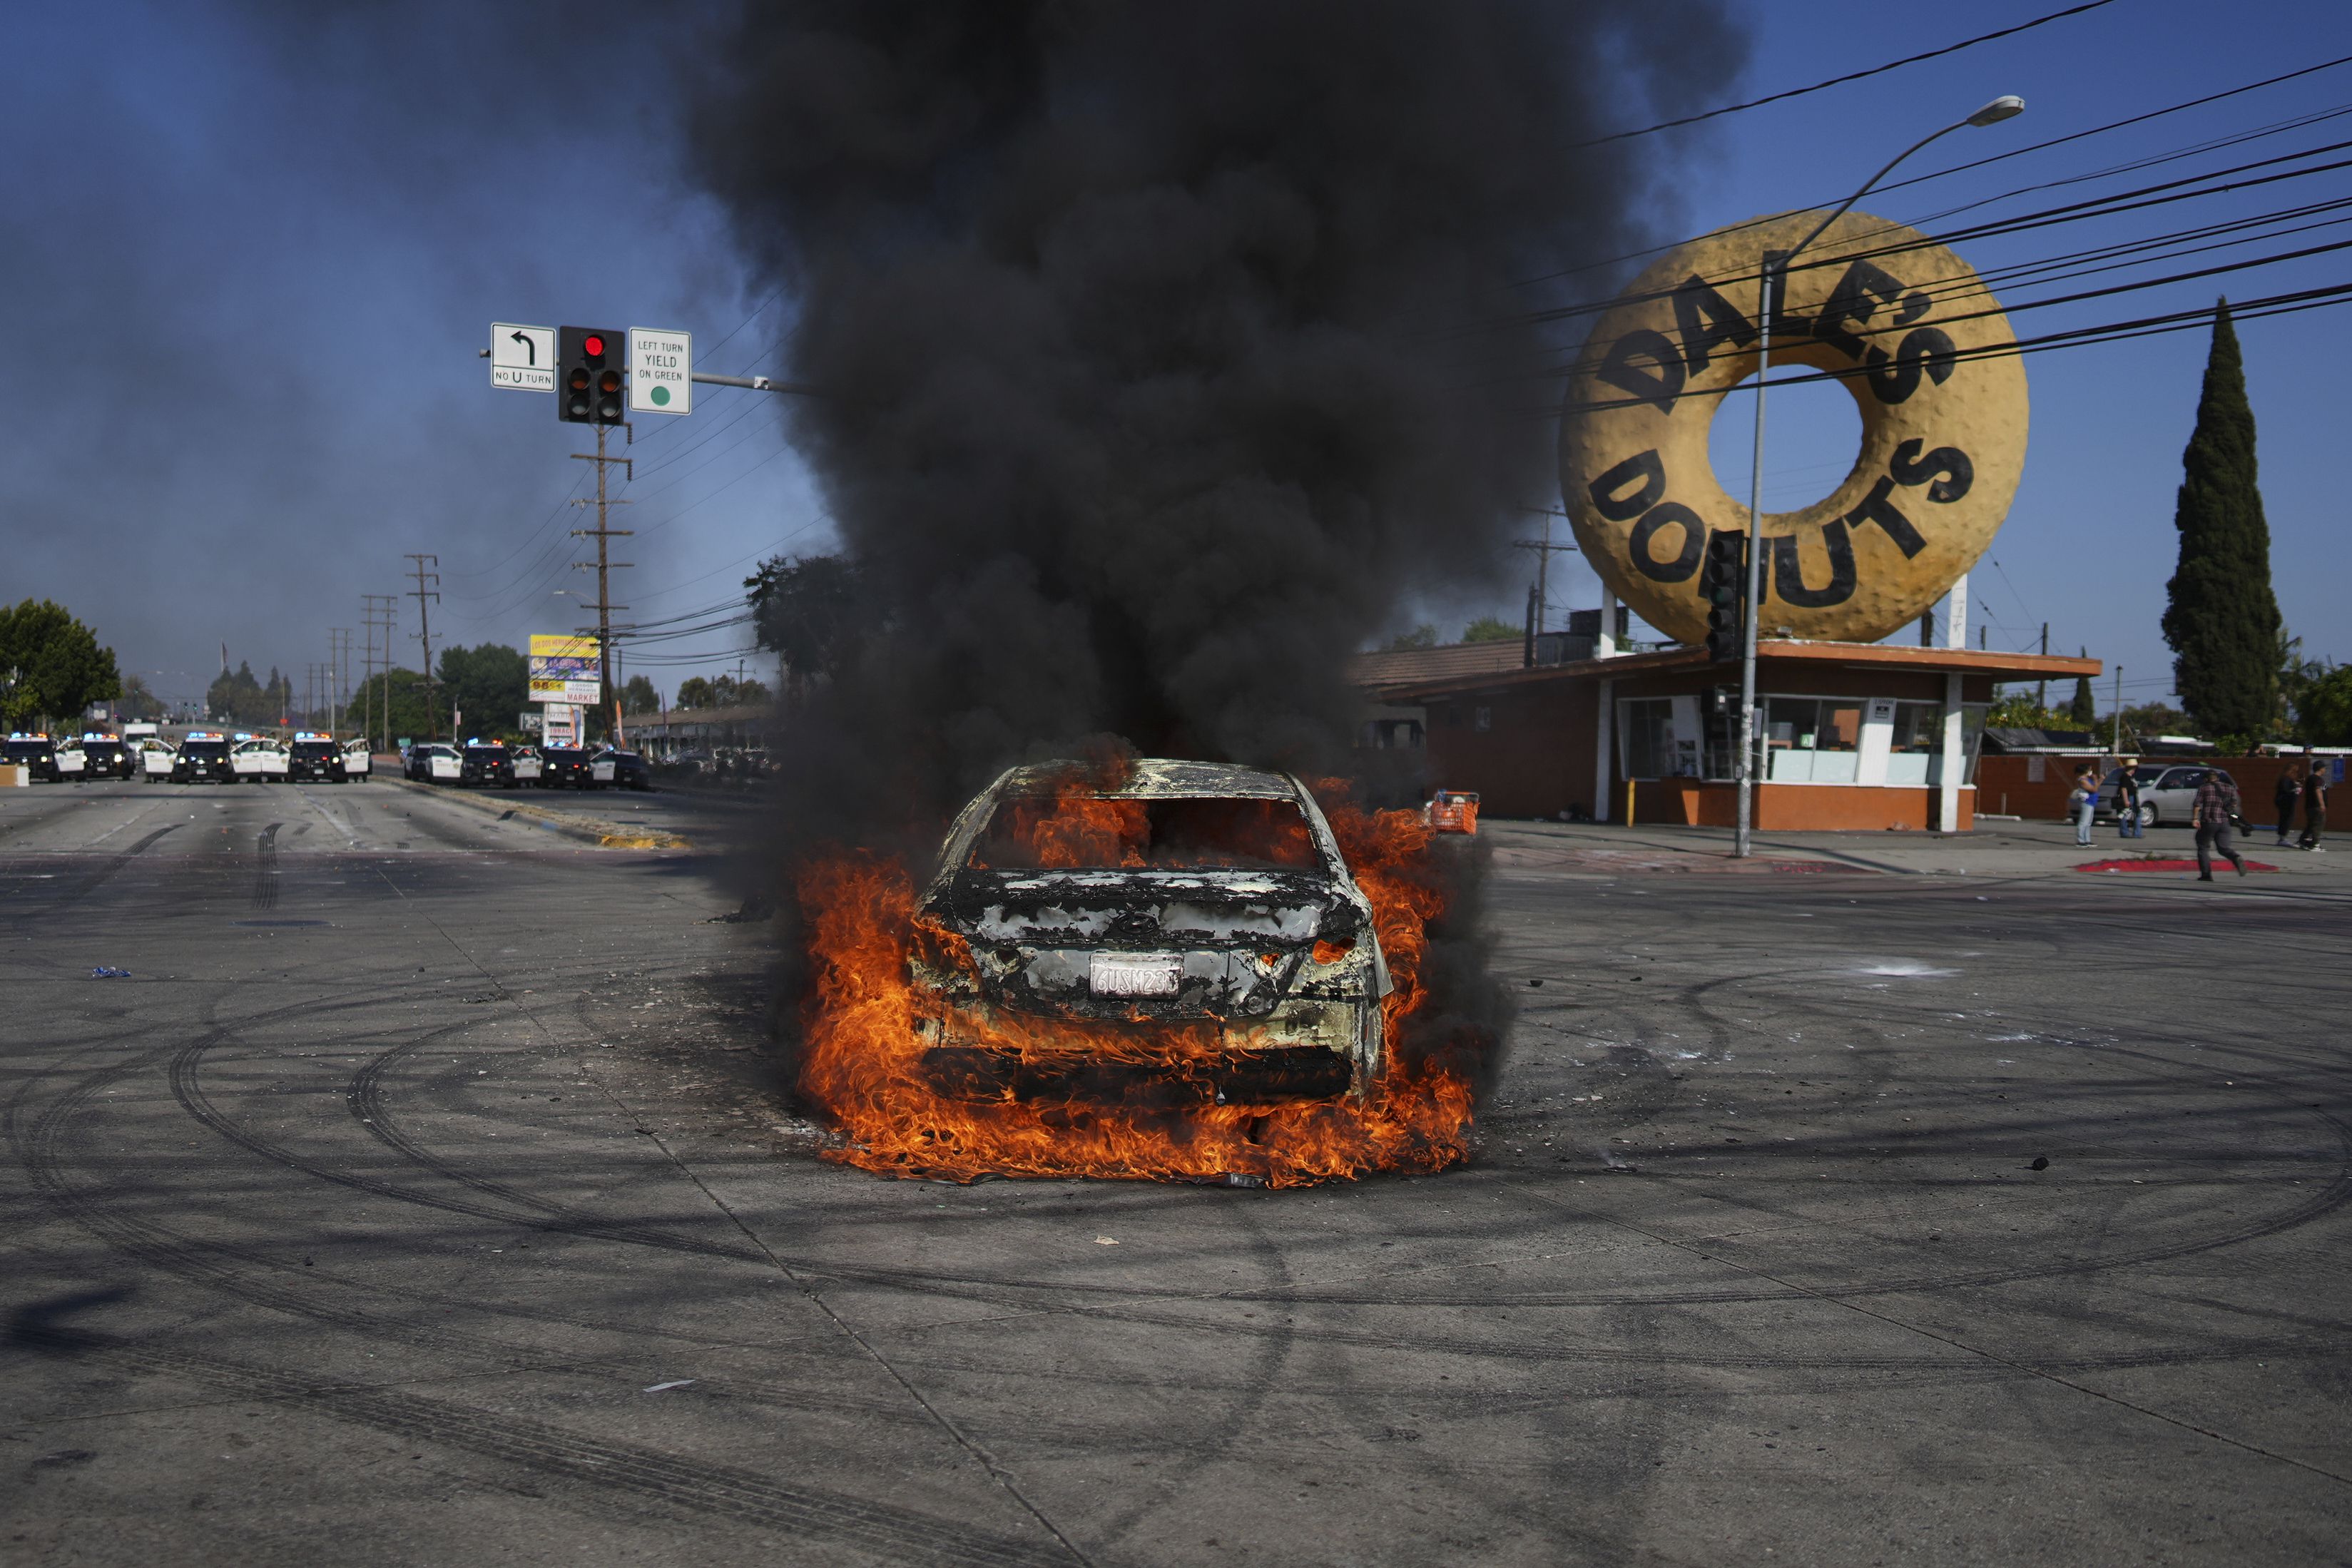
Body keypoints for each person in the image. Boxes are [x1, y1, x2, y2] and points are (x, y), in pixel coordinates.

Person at [2192, 768, 2247, 881]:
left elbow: (2197, 804)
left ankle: (2206, 874)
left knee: (2203, 847)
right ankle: (2235, 857)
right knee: (2223, 848)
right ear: (2218, 778)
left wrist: (2195, 819)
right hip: (2224, 823)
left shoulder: (2204, 787)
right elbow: (2233, 805)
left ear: (2206, 779)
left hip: (2209, 822)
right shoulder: (2229, 788)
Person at [2274, 761, 2304, 847]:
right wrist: (2295, 789)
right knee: (2287, 818)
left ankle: (2282, 837)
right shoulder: (2286, 779)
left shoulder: (2287, 778)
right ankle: (2282, 838)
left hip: (2287, 800)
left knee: (2287, 818)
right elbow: (2285, 789)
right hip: (2286, 801)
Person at [2301, 762, 2329, 852]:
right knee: (2319, 824)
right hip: (2316, 806)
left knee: (2311, 824)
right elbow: (2318, 791)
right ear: (2320, 769)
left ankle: (2304, 841)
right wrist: (2322, 804)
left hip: (2310, 806)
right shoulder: (2317, 779)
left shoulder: (2311, 778)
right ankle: (2315, 844)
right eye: (2324, 768)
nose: (2325, 770)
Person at [2069, 763, 2097, 847]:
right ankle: (2080, 840)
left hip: (2091, 802)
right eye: (2089, 769)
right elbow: (2093, 789)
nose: (2091, 771)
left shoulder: (2087, 779)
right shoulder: (2082, 780)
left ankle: (2087, 840)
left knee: (2088, 822)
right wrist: (2096, 780)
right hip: (2087, 802)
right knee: (2083, 822)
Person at [2114, 759, 2144, 839]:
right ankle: (2125, 832)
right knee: (2123, 814)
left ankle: (2137, 833)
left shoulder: (2131, 777)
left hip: (2133, 796)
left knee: (2138, 813)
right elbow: (2124, 789)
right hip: (2128, 797)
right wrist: (2126, 800)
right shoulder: (2125, 777)